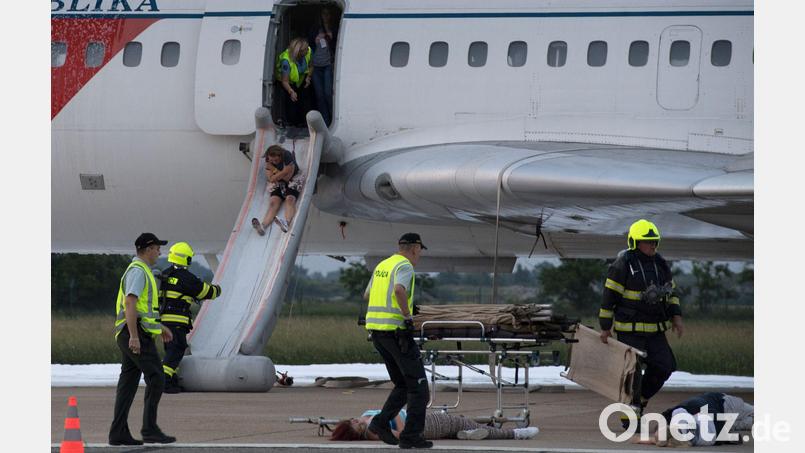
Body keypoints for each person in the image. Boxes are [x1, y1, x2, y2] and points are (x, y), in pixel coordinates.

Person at [598, 219, 683, 427]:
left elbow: (671, 293)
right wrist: (605, 326)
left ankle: (641, 399)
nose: (652, 246)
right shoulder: (622, 264)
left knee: (665, 366)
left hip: (655, 331)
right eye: (648, 242)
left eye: (655, 242)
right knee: (632, 375)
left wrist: (676, 316)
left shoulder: (661, 264)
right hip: (630, 331)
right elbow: (609, 297)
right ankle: (630, 415)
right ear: (635, 242)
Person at [363, 233, 431, 449]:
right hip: (396, 333)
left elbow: (367, 294)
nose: (419, 254)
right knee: (419, 388)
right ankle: (411, 436)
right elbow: (399, 290)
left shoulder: (383, 265)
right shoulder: (405, 266)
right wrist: (407, 315)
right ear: (414, 248)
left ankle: (380, 423)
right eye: (420, 250)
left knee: (403, 384)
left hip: (378, 334)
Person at [109, 233, 176, 445]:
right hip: (134, 333)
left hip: (132, 332)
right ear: (148, 249)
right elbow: (130, 304)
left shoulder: (141, 270)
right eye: (157, 248)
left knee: (128, 384)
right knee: (157, 377)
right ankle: (149, 429)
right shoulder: (139, 271)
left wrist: (159, 327)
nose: (160, 252)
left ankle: (118, 432)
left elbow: (142, 310)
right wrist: (135, 337)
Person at [158, 241, 222, 393]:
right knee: (176, 350)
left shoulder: (164, 274)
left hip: (163, 322)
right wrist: (218, 289)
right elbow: (206, 292)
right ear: (186, 259)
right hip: (178, 322)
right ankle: (163, 382)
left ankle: (172, 381)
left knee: (171, 351)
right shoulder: (186, 277)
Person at [330, 409, 540, 442]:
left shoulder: (366, 419)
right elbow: (401, 435)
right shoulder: (373, 431)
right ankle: (515, 434)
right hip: (421, 425)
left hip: (420, 420)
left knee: (457, 427)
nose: (356, 420)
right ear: (357, 433)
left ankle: (463, 435)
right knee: (458, 421)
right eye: (354, 425)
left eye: (352, 420)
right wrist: (394, 414)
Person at [633, 393, 753, 447]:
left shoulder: (683, 441)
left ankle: (733, 429)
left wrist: (726, 437)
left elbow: (661, 440)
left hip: (718, 424)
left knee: (746, 422)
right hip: (723, 406)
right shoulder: (680, 415)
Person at [251, 144, 305, 235]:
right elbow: (270, 179)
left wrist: (273, 169)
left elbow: (288, 178)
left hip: (294, 178)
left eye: (276, 160)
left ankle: (286, 223)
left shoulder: (287, 156)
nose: (273, 162)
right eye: (271, 161)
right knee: (273, 202)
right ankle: (263, 226)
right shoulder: (269, 159)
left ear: (280, 156)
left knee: (290, 199)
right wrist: (281, 173)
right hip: (279, 182)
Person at [308, 7, 338, 125]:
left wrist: (331, 37)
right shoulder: (315, 29)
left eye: (328, 13)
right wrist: (314, 39)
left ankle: (333, 117)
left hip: (327, 65)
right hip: (315, 66)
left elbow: (337, 45)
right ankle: (325, 121)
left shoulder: (333, 28)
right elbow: (308, 44)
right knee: (319, 95)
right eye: (324, 13)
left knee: (328, 93)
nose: (326, 16)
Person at [275, 37, 312, 128]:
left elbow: (311, 66)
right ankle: (292, 125)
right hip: (288, 83)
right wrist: (291, 91)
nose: (308, 50)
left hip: (301, 80)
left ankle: (304, 123)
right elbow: (285, 81)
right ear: (299, 52)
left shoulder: (309, 51)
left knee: (305, 102)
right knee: (291, 104)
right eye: (305, 50)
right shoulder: (286, 61)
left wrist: (308, 77)